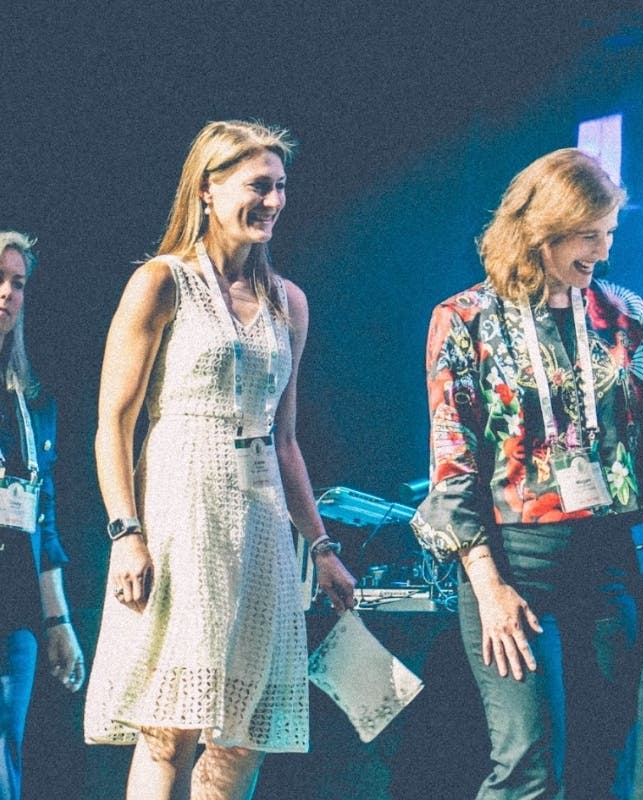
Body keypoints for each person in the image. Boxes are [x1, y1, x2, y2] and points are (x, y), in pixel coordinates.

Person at [411, 147, 643, 800]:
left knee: (604, 770)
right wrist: (488, 588)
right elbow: (452, 462)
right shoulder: (464, 319)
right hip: (514, 565)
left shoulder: (628, 316)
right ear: (541, 227)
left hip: (608, 565)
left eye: (608, 235)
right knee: (527, 767)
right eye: (588, 235)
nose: (602, 252)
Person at [83, 120, 356, 800]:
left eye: (281, 187)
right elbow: (112, 423)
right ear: (208, 190)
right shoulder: (161, 282)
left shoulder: (286, 302)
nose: (273, 201)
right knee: (169, 724)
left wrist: (321, 547)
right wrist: (126, 532)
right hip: (182, 507)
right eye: (257, 186)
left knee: (240, 730)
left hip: (260, 518)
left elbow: (284, 437)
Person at [0, 232, 84, 800]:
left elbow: (42, 517)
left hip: (14, 610)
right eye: (0, 278)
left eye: (18, 283)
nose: (7, 292)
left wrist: (58, 623)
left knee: (6, 752)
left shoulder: (31, 404)